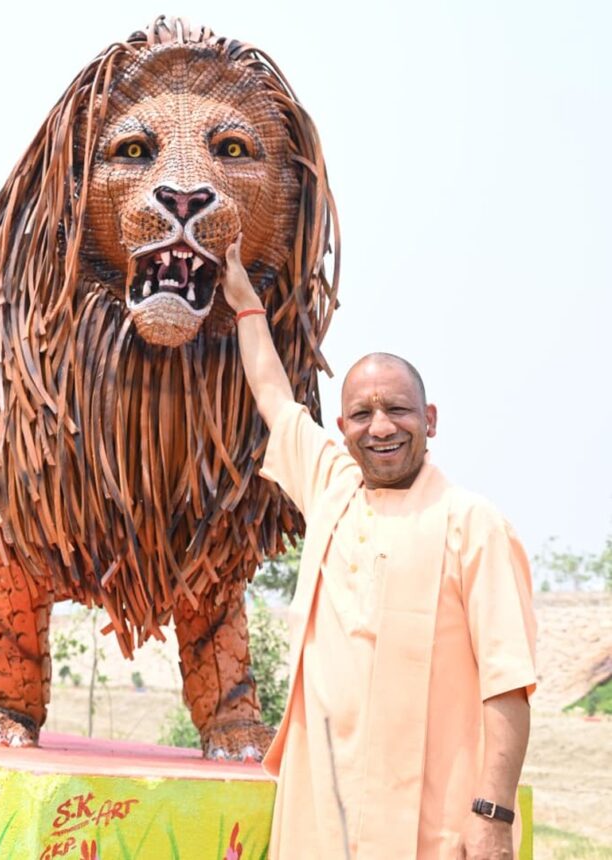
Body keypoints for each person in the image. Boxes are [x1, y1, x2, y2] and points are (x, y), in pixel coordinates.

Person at [223, 236, 537, 859]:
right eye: (362, 413)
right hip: (322, 822)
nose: (382, 425)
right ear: (342, 430)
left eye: (398, 409)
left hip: (435, 825)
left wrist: (493, 816)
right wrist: (243, 302)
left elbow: (508, 684)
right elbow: (273, 396)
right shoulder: (331, 489)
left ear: (431, 419)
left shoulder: (473, 524)